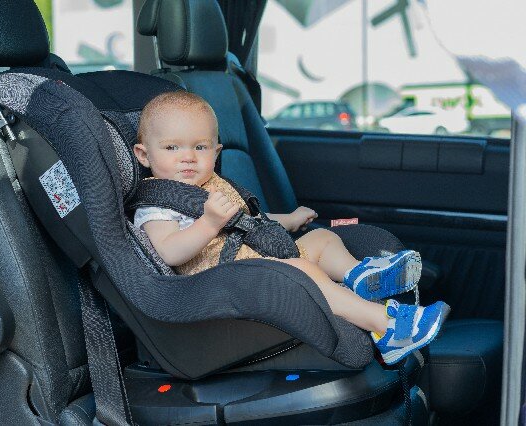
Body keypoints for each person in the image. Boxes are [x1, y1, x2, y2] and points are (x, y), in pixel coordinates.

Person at [132, 91, 449, 365]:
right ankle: (387, 329)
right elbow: (170, 251)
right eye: (172, 148)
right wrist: (208, 223)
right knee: (301, 269)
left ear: (215, 152)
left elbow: (249, 222)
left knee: (323, 238)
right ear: (144, 155)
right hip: (221, 285)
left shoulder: (212, 185)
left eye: (199, 148)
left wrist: (289, 219)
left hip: (253, 259)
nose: (187, 158)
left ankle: (360, 277)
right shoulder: (158, 203)